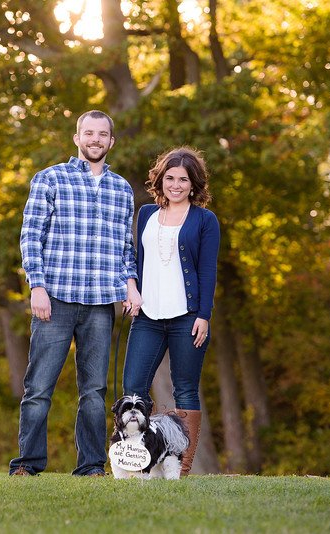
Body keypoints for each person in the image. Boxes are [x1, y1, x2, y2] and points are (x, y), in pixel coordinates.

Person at [9, 110, 142, 476]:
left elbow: (125, 248)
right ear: (77, 137)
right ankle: (28, 464)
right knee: (38, 388)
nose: (95, 139)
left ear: (111, 141)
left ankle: (92, 466)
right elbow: (30, 236)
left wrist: (130, 285)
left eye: (102, 134)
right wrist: (36, 285)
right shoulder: (50, 179)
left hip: (101, 304)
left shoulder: (122, 189)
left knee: (94, 392)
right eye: (89, 133)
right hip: (56, 299)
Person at [121, 146, 220, 476]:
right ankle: (136, 461)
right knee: (133, 387)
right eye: (169, 178)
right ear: (160, 180)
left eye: (183, 179)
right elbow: (136, 260)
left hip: (187, 318)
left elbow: (207, 271)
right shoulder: (146, 214)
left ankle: (182, 466)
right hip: (148, 317)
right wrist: (132, 289)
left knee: (186, 389)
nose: (175, 185)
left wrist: (203, 315)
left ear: (193, 184)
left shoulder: (205, 220)